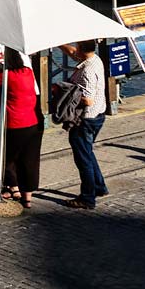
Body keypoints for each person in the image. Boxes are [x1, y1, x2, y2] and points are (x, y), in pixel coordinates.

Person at [0, 49, 42, 207]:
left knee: (3, 158)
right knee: (28, 161)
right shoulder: (28, 72)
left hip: (13, 124)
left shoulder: (6, 75)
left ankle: (4, 189)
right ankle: (27, 198)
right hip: (32, 122)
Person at [62, 40, 109, 210]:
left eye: (77, 46)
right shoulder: (95, 60)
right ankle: (99, 186)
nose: (75, 48)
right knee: (87, 152)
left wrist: (65, 92)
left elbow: (88, 99)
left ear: (82, 48)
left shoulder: (88, 71)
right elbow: (73, 53)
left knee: (83, 159)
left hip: (85, 119)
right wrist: (60, 44)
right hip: (99, 114)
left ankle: (87, 198)